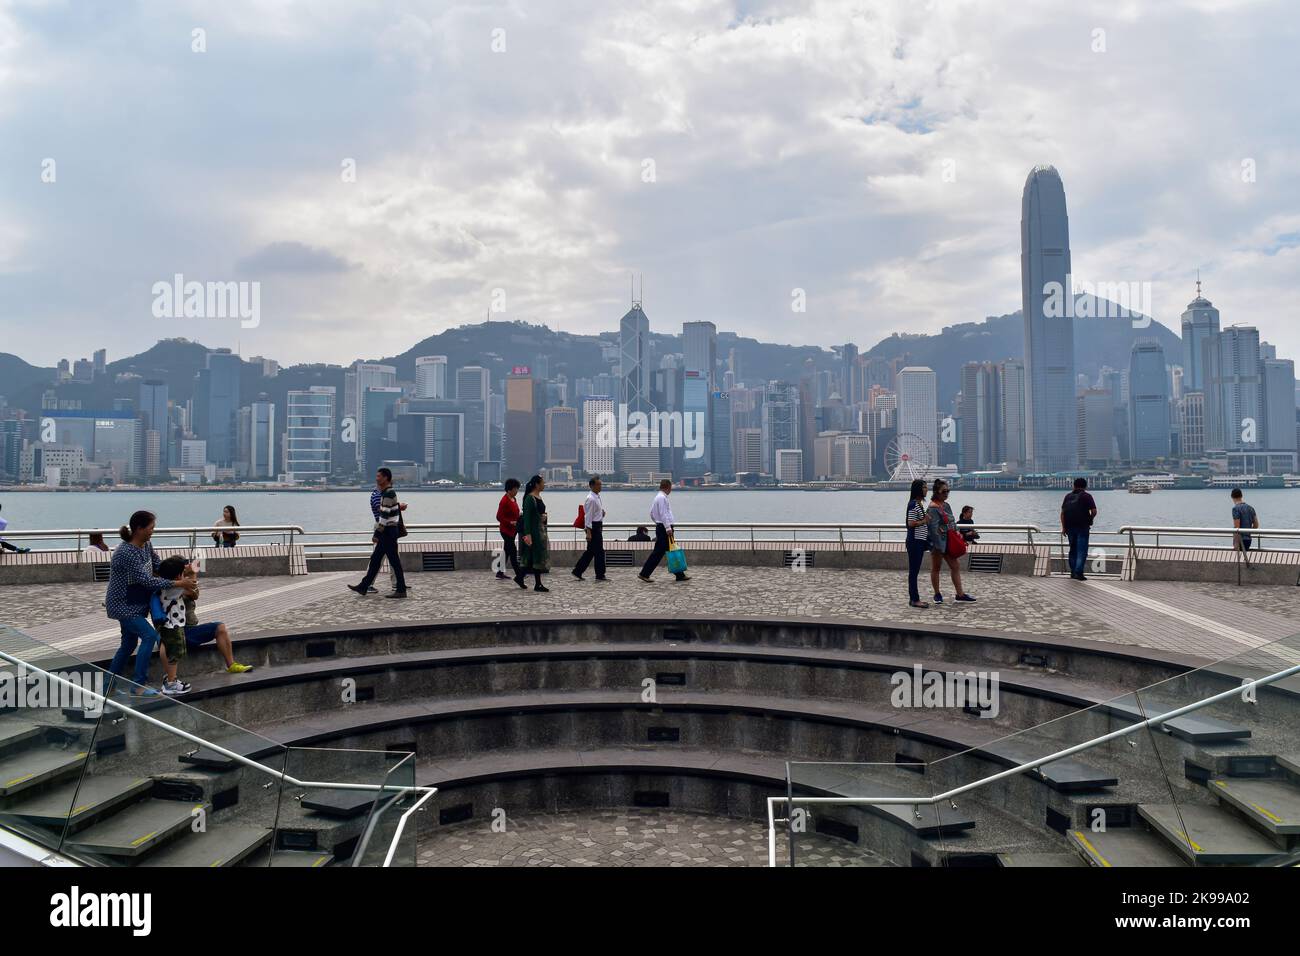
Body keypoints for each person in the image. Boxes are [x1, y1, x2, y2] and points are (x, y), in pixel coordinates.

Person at [105, 510, 197, 697]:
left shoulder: (146, 545)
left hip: (135, 604)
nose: (153, 531)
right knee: (149, 637)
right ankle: (138, 685)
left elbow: (158, 568)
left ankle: (107, 686)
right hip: (123, 605)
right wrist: (178, 583)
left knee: (128, 645)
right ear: (139, 529)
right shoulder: (126, 553)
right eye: (151, 528)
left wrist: (180, 569)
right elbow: (147, 580)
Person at [179, 561, 252, 674]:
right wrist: (192, 574)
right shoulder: (174, 587)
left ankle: (231, 665)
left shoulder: (183, 584)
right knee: (220, 627)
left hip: (189, 630)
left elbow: (195, 594)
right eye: (184, 564)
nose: (187, 565)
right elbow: (192, 592)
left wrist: (192, 574)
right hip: (179, 633)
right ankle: (231, 665)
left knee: (220, 628)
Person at [348, 468, 408, 599]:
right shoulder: (387, 493)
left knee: (394, 561)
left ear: (386, 478)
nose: (377, 478)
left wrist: (377, 534)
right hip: (388, 531)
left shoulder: (388, 493)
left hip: (388, 532)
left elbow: (384, 515)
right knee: (376, 560)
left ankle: (401, 589)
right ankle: (363, 586)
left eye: (379, 476)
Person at [152, 556, 194, 696]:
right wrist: (191, 571)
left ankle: (170, 679)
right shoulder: (175, 588)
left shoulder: (165, 586)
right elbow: (192, 584)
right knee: (175, 655)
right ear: (178, 575)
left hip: (167, 625)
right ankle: (171, 684)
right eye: (182, 572)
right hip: (173, 626)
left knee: (170, 652)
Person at [927, 479, 974, 603]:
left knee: (955, 566)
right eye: (944, 491)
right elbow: (933, 529)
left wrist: (958, 533)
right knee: (936, 568)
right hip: (938, 544)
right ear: (936, 492)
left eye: (948, 491)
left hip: (948, 542)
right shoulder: (932, 508)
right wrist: (939, 546)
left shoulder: (946, 505)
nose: (946, 494)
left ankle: (960, 594)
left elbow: (952, 523)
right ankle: (937, 594)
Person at [639, 479, 689, 583]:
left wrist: (658, 523)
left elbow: (652, 513)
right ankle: (644, 573)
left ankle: (679, 574)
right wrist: (667, 527)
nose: (671, 490)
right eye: (670, 487)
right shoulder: (662, 498)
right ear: (668, 487)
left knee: (670, 550)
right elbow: (663, 514)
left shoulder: (658, 497)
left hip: (661, 527)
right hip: (665, 528)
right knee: (660, 552)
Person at [516, 475, 550, 592]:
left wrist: (543, 517)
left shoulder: (538, 497)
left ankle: (520, 577)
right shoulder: (530, 499)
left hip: (539, 530)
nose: (544, 484)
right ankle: (538, 584)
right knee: (536, 557)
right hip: (534, 532)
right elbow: (527, 518)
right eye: (542, 482)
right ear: (537, 484)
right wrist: (528, 534)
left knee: (530, 557)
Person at [1061, 477, 1098, 581]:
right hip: (1082, 527)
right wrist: (1090, 519)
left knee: (1073, 550)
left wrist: (1064, 528)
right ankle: (1078, 572)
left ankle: (1073, 572)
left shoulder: (1068, 496)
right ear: (1085, 486)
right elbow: (1094, 511)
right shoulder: (1087, 496)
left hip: (1069, 528)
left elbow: (1063, 513)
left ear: (1074, 485)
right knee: (1081, 551)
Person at [572, 475, 608, 581]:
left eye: (601, 484)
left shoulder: (596, 497)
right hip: (593, 527)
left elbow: (594, 513)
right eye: (598, 484)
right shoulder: (591, 499)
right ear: (592, 486)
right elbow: (588, 516)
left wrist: (601, 513)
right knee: (599, 552)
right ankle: (600, 574)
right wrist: (588, 531)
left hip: (596, 525)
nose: (600, 486)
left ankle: (578, 571)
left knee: (591, 551)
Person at [904, 479, 929, 609]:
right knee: (914, 572)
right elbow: (911, 523)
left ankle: (914, 598)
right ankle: (914, 599)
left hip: (918, 542)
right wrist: (924, 521)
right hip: (914, 542)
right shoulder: (914, 504)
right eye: (924, 487)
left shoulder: (918, 504)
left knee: (915, 571)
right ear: (918, 489)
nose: (926, 489)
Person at [496, 478, 523, 580]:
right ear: (510, 489)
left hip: (513, 530)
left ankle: (500, 571)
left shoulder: (513, 499)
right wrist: (510, 522)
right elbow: (499, 517)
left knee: (507, 551)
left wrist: (519, 516)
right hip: (506, 530)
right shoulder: (504, 501)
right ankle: (519, 574)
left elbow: (514, 512)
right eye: (516, 489)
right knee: (512, 551)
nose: (517, 491)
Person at [1231, 488, 1259, 554]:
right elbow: (1256, 525)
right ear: (1241, 496)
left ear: (1232, 497)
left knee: (1238, 559)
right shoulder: (1250, 508)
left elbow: (1237, 527)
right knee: (1244, 557)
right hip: (1248, 539)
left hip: (1240, 540)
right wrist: (1248, 531)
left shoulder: (1235, 509)